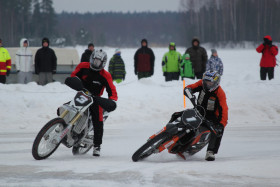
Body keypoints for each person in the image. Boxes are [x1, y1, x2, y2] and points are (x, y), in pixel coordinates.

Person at [70, 49, 118, 157]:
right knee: (66, 107)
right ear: (92, 58)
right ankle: (61, 125)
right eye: (95, 60)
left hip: (95, 99)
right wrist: (72, 81)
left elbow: (112, 91)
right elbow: (73, 76)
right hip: (81, 94)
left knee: (98, 119)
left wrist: (111, 100)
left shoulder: (105, 75)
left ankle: (97, 146)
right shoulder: (83, 66)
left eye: (98, 61)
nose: (96, 63)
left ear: (103, 62)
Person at [184, 70, 228, 161]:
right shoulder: (201, 83)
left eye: (210, 82)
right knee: (181, 115)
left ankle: (211, 151)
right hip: (198, 110)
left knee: (218, 130)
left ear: (215, 83)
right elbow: (189, 88)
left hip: (212, 117)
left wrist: (221, 124)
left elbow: (224, 110)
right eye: (205, 81)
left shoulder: (220, 93)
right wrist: (188, 91)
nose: (207, 84)